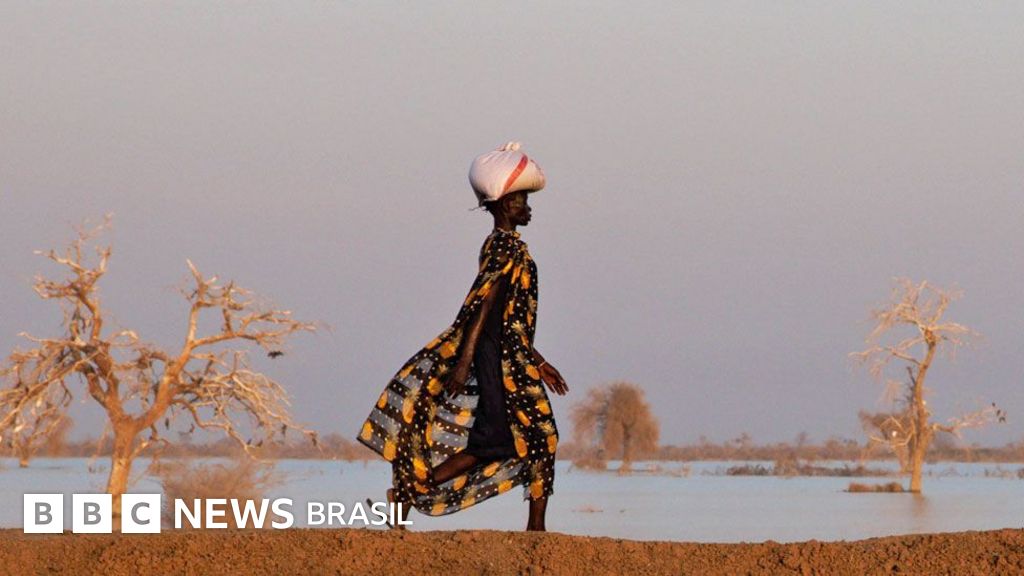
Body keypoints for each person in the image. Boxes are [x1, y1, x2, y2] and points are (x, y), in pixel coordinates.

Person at [357, 142, 568, 532]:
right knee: (538, 435)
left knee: (499, 442)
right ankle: (536, 532)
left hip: (512, 356)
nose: (527, 207)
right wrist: (466, 362)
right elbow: (482, 308)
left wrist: (540, 362)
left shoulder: (512, 248)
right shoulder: (503, 246)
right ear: (505, 205)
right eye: (521, 199)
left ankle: (406, 493)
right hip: (499, 360)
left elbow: (509, 319)